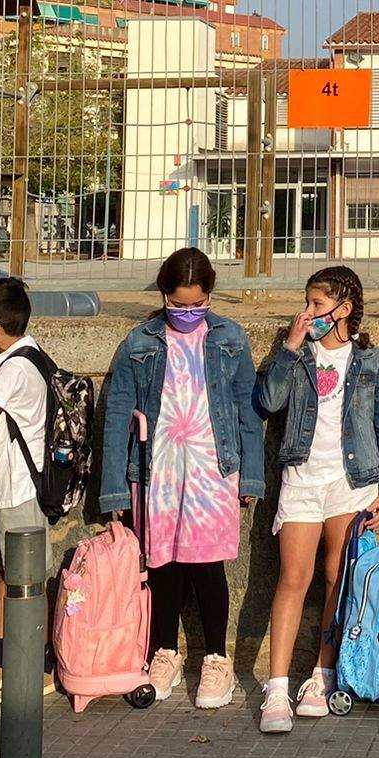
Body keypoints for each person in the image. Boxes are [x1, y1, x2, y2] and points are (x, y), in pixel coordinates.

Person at [98, 247, 261, 710]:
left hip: (213, 471)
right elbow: (116, 415)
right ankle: (163, 652)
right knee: (162, 562)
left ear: (210, 295)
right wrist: (114, 486)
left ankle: (216, 658)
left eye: (198, 304)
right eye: (179, 304)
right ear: (164, 294)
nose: (188, 313)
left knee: (208, 565)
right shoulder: (139, 342)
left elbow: (248, 412)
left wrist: (250, 478)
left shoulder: (231, 337)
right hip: (158, 471)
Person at [252, 265, 379, 735]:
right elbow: (267, 403)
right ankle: (277, 686)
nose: (308, 312)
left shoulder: (371, 361)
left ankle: (322, 673)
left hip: (351, 480)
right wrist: (290, 347)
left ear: (345, 309)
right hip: (301, 477)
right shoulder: (297, 355)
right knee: (292, 577)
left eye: (317, 305)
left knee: (338, 575)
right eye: (308, 303)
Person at [0, 275, 48, 696]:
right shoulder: (27, 356)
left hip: (17, 489)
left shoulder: (13, 370)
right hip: (11, 490)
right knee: (6, 574)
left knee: (23, 580)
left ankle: (30, 661)